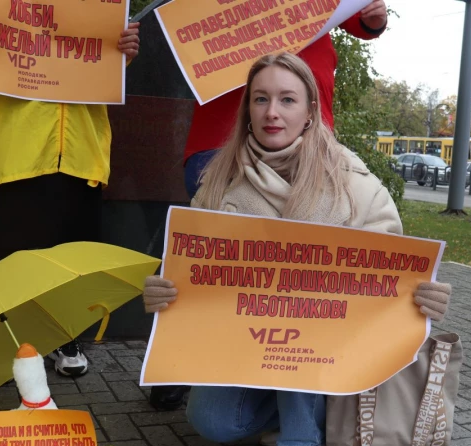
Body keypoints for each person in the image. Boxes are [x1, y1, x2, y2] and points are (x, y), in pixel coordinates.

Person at [143, 53, 452, 446]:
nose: (272, 112)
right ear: (246, 109)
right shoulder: (217, 182)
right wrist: (163, 290)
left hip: (335, 348)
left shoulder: (354, 183)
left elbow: (392, 273)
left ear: (310, 112)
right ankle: (302, 419)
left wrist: (423, 299)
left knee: (300, 305)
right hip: (248, 342)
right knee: (212, 422)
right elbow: (192, 272)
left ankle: (303, 445)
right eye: (261, 99)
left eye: (288, 100)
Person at [149, 0, 389, 411]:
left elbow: (363, 17)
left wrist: (375, 19)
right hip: (220, 141)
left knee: (296, 277)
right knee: (215, 252)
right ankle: (187, 362)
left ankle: (291, 405)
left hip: (310, 148)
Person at [0, 0, 139, 377]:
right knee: (12, 260)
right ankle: (8, 343)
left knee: (73, 258)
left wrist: (121, 49)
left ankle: (65, 335)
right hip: (15, 150)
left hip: (80, 152)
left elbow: (101, 64)